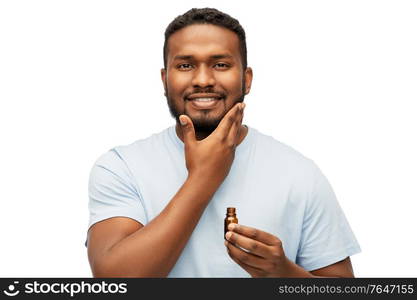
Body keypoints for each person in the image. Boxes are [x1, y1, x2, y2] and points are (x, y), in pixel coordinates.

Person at [85, 8, 361, 278]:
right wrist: (204, 177)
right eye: (185, 65)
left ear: (247, 79)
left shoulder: (300, 173)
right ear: (165, 79)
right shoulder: (121, 167)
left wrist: (285, 275)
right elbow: (114, 281)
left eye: (220, 64)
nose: (203, 80)